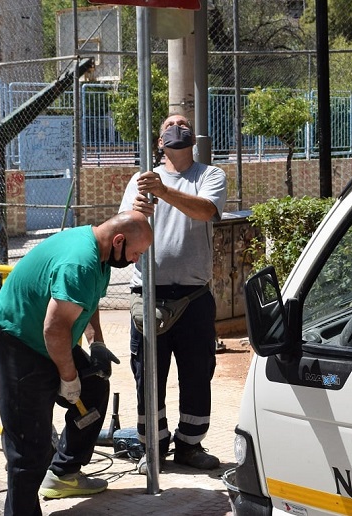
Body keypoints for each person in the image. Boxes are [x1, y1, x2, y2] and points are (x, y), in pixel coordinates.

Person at [0, 211, 153, 515]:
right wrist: (69, 378)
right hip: (15, 342)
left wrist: (95, 343)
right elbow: (54, 329)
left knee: (95, 389)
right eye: (136, 253)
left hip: (48, 341)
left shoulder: (100, 255)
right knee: (29, 447)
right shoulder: (80, 263)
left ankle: (64, 473)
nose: (137, 261)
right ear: (119, 240)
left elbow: (89, 301)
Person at [119, 113, 227, 470]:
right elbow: (126, 229)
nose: (176, 127)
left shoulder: (209, 175)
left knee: (197, 373)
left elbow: (207, 211)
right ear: (159, 142)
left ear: (193, 138)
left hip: (194, 296)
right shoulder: (141, 180)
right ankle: (153, 447)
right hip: (149, 293)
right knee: (148, 376)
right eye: (168, 125)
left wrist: (165, 191)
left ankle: (190, 446)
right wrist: (139, 210)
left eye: (183, 123)